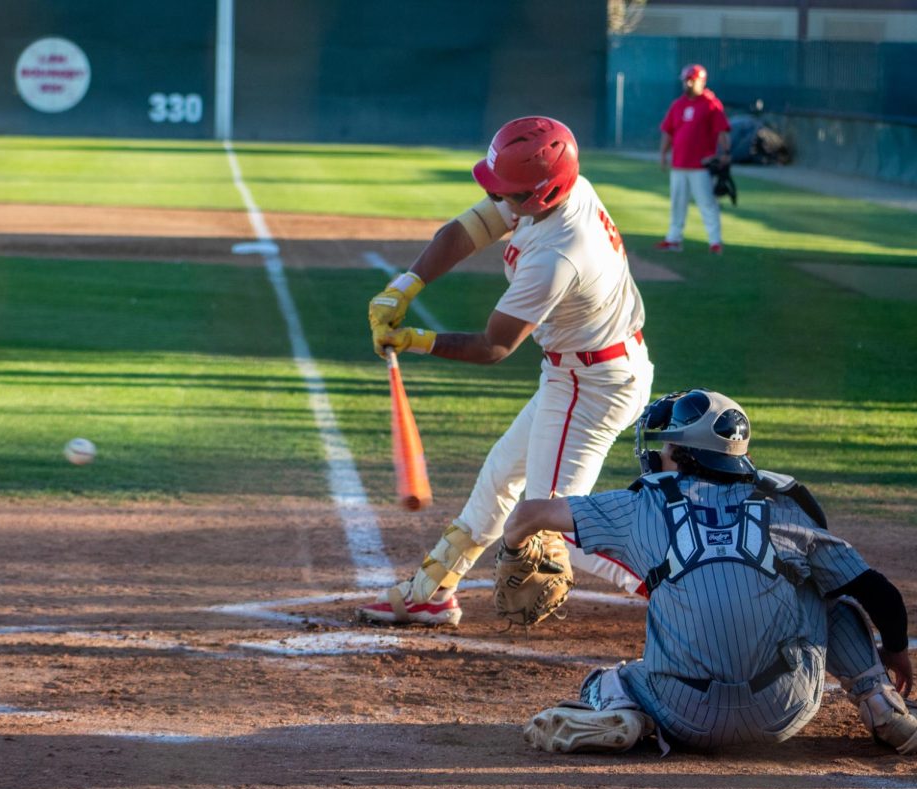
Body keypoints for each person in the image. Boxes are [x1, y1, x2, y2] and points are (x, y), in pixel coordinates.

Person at [356, 116, 654, 628]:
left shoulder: (559, 255)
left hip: (594, 386)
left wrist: (415, 340)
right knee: (499, 477)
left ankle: (692, 590)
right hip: (576, 371)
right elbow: (466, 231)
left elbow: (494, 346)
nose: (501, 200)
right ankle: (433, 591)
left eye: (510, 193)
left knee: (555, 529)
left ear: (541, 193)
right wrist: (404, 286)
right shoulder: (556, 187)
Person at [504, 389, 916, 755]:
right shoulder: (786, 509)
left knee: (613, 678)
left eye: (666, 443)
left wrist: (513, 548)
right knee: (826, 592)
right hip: (783, 709)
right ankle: (880, 703)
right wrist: (894, 650)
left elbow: (529, 513)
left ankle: (623, 710)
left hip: (684, 714)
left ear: (682, 453)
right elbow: (878, 591)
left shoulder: (640, 506)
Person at [656, 64, 730, 255]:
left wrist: (725, 153)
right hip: (679, 163)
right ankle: (674, 239)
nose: (687, 83)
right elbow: (668, 131)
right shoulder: (678, 104)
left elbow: (721, 131)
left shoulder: (710, 104)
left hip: (701, 165)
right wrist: (663, 154)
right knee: (677, 203)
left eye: (691, 79)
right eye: (685, 80)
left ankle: (715, 242)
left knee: (707, 203)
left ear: (701, 81)